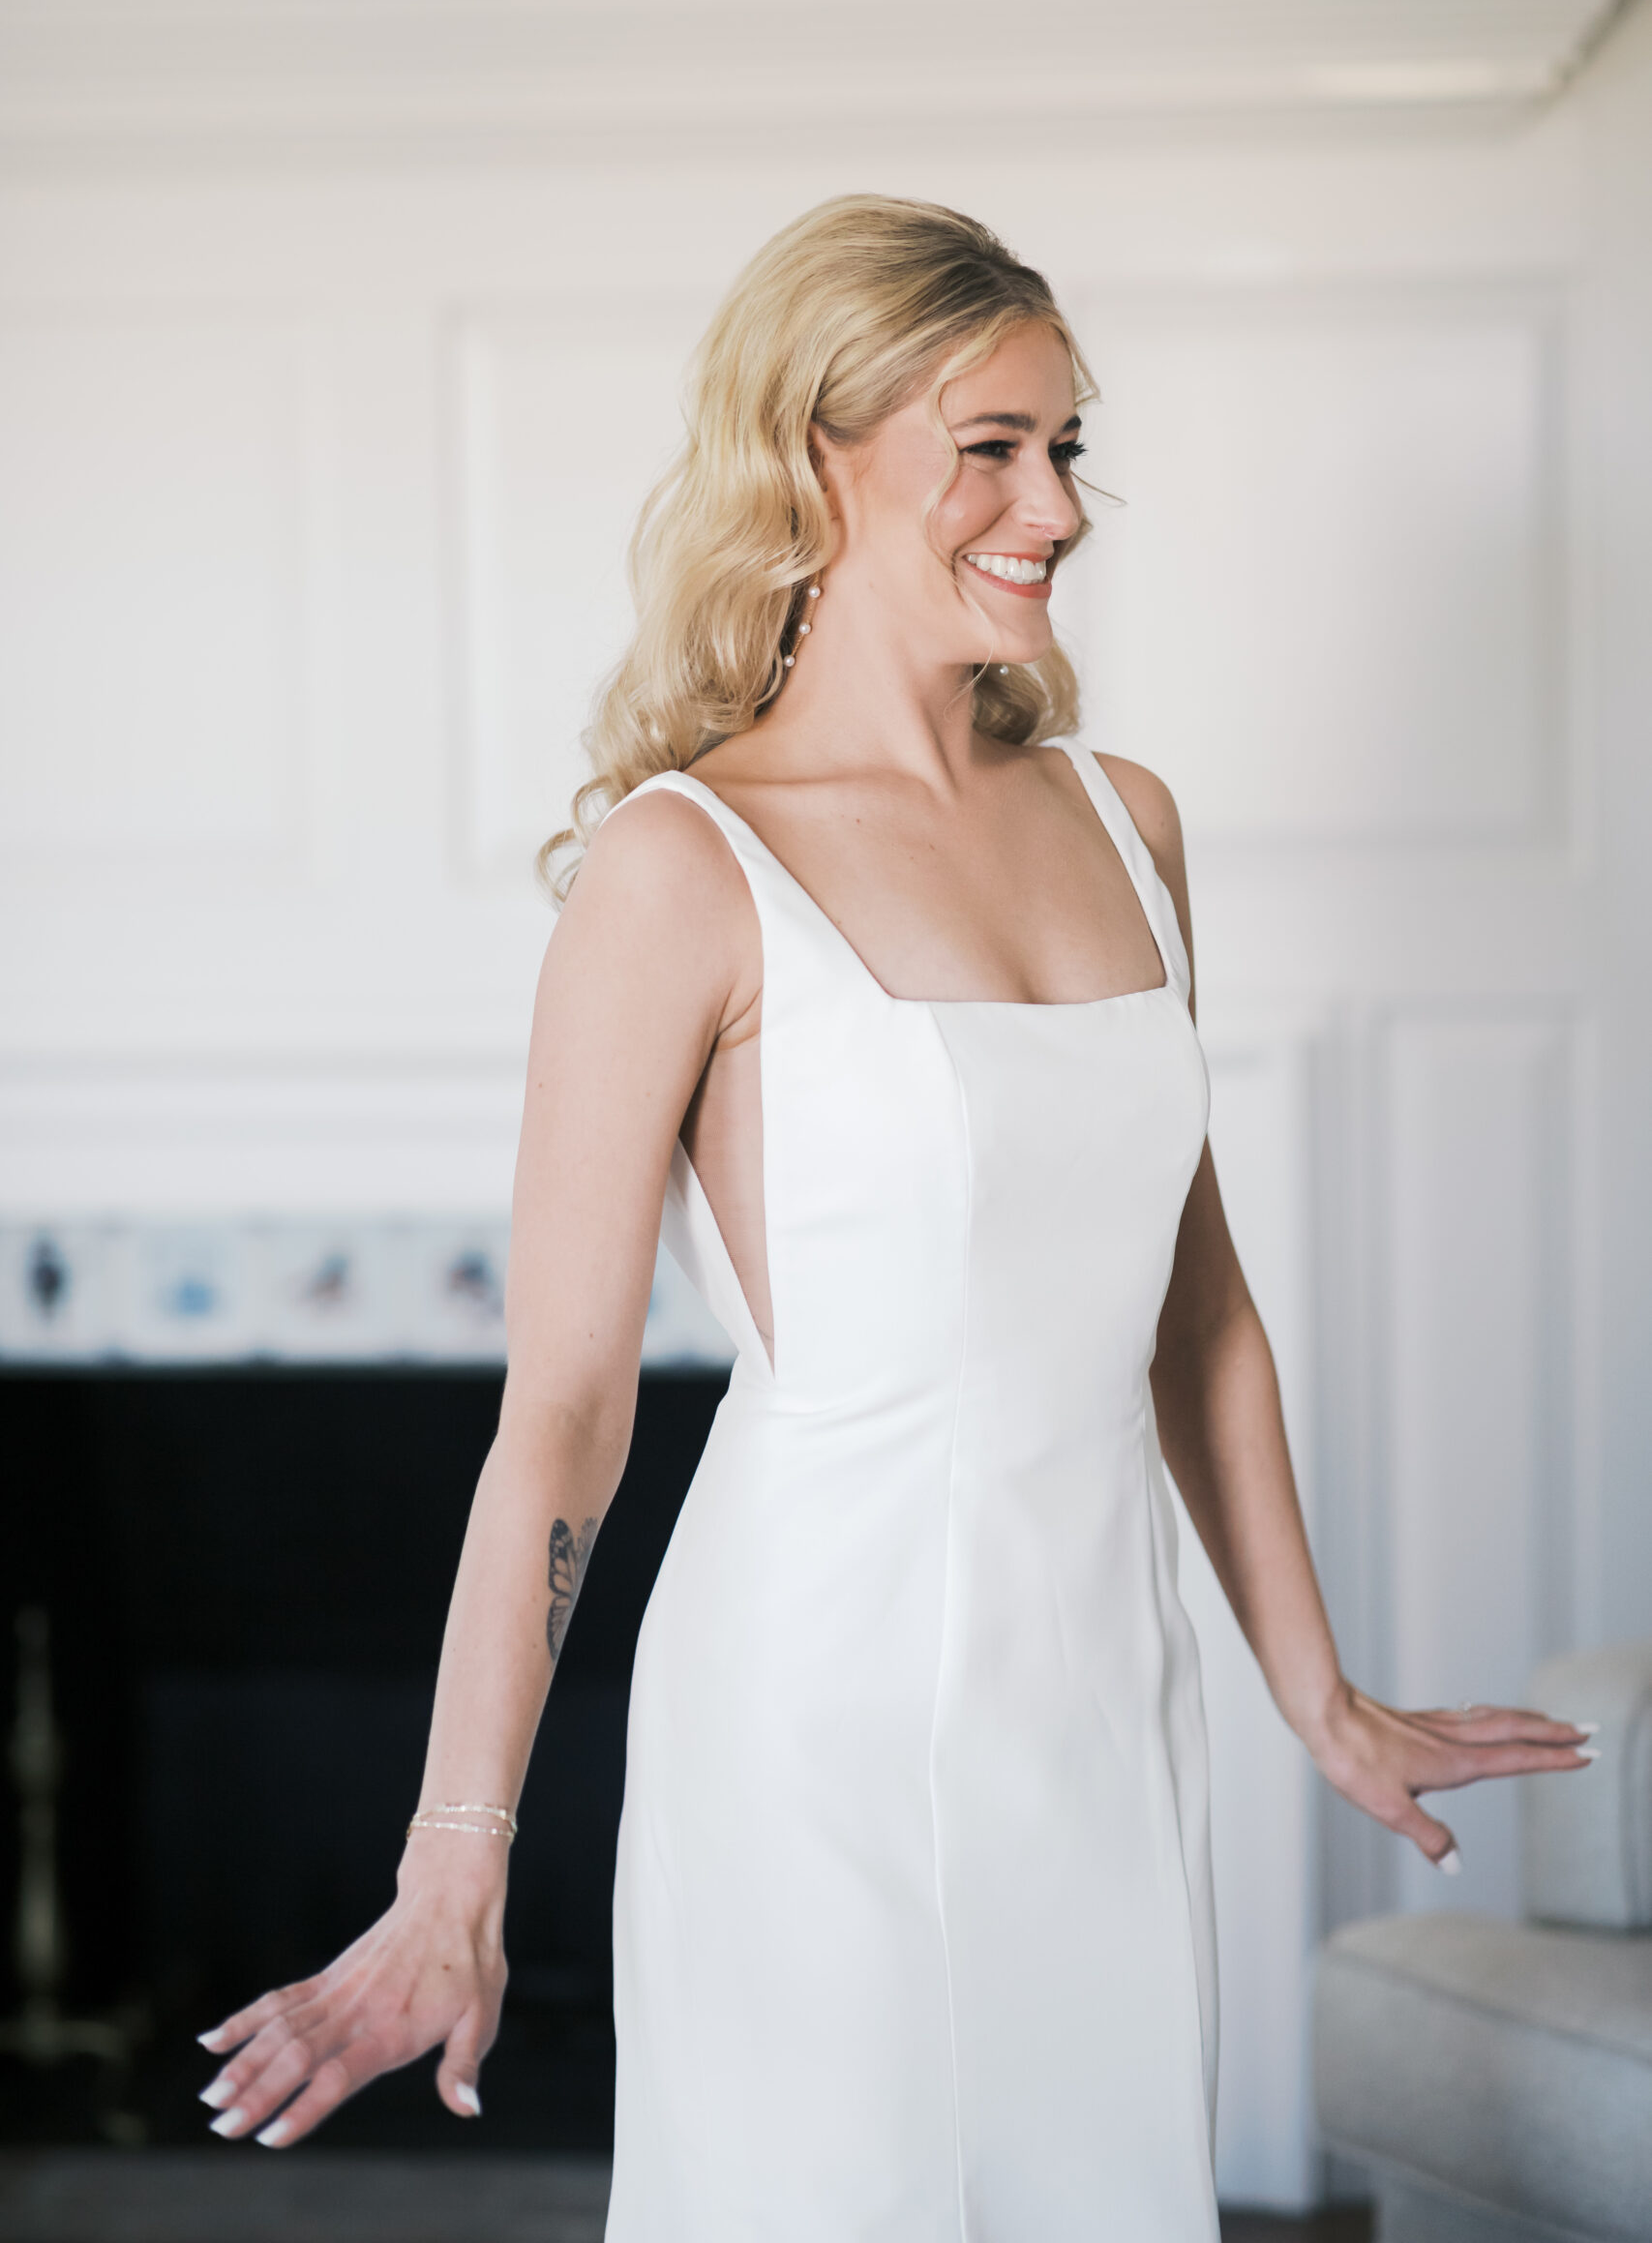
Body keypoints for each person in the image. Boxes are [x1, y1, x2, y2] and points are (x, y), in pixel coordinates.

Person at [195, 197, 1591, 2239]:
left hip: (1104, 1697)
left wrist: (1317, 1689)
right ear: (816, 459)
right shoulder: (680, 868)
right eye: (993, 447)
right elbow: (563, 1410)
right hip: (811, 1711)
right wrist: (452, 1862)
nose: (1057, 504)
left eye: (1066, 446)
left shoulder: (1129, 820)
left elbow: (1191, 1309)